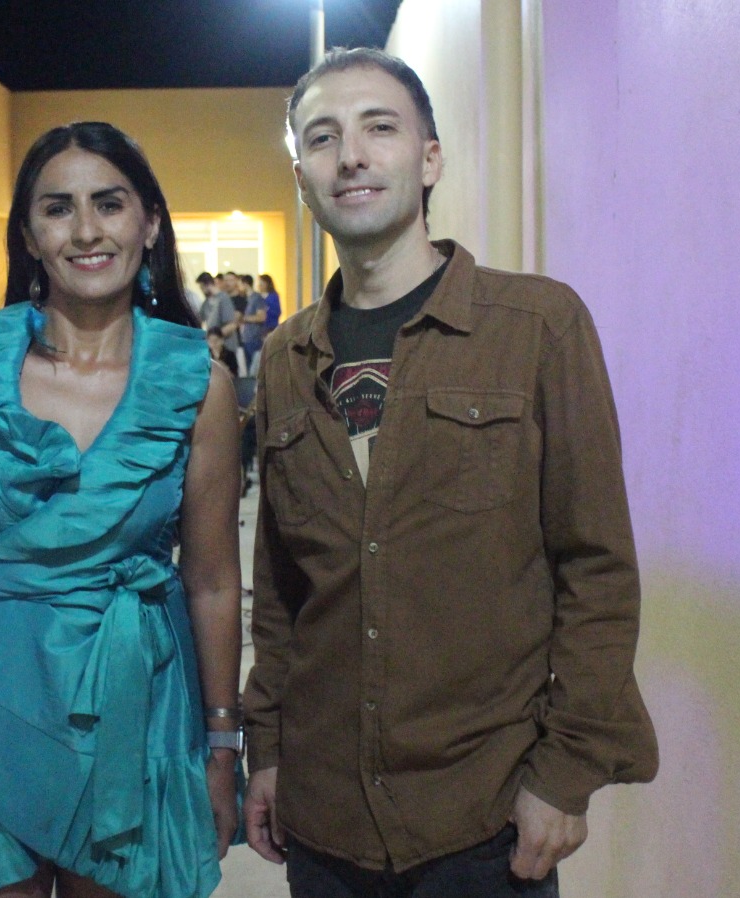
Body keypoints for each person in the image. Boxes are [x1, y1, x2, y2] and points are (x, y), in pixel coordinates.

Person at [242, 48, 659, 897]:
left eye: (379, 128)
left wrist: (566, 774)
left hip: (483, 820)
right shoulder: (285, 359)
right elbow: (282, 590)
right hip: (324, 821)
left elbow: (597, 569)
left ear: (429, 159)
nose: (350, 156)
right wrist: (267, 749)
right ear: (302, 178)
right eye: (322, 138)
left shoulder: (536, 327)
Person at [0, 121, 243, 898]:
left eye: (110, 203)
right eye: (59, 208)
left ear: (150, 223)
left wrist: (222, 747)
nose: (87, 230)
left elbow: (211, 583)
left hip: (136, 715)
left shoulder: (198, 383)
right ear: (30, 236)